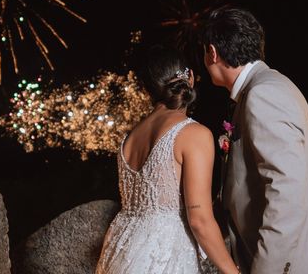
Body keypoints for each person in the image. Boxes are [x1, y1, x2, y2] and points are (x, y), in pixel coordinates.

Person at [203, 6, 308, 274]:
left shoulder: (263, 94)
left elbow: (287, 192)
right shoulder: (266, 87)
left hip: (303, 263)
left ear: (212, 52)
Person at [96, 46, 240, 274]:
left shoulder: (128, 140)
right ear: (190, 77)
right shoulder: (194, 134)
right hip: (163, 258)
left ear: (147, 90)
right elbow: (199, 220)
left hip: (120, 252)